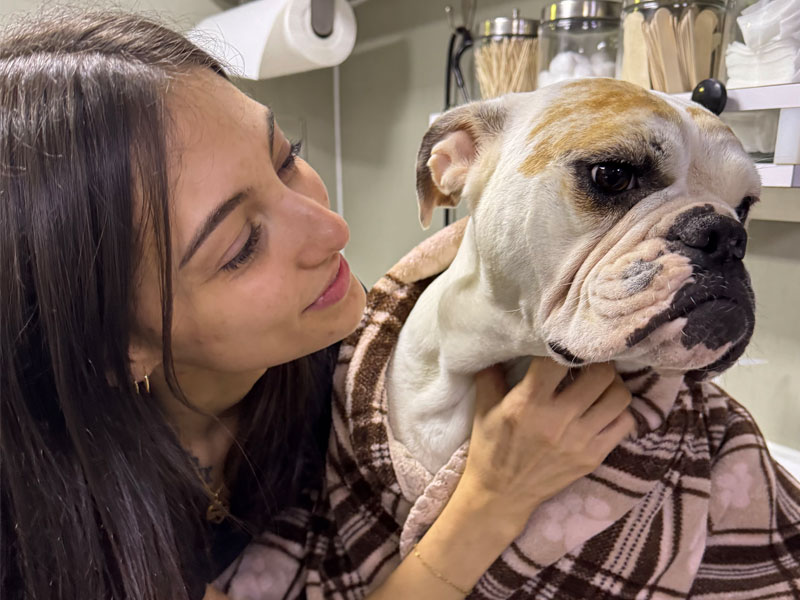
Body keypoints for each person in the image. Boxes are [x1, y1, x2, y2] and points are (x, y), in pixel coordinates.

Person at [0, 10, 635, 600]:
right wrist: (493, 497)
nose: (332, 230)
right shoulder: (54, 528)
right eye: (242, 246)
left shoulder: (350, 369)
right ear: (115, 345)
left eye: (288, 159)